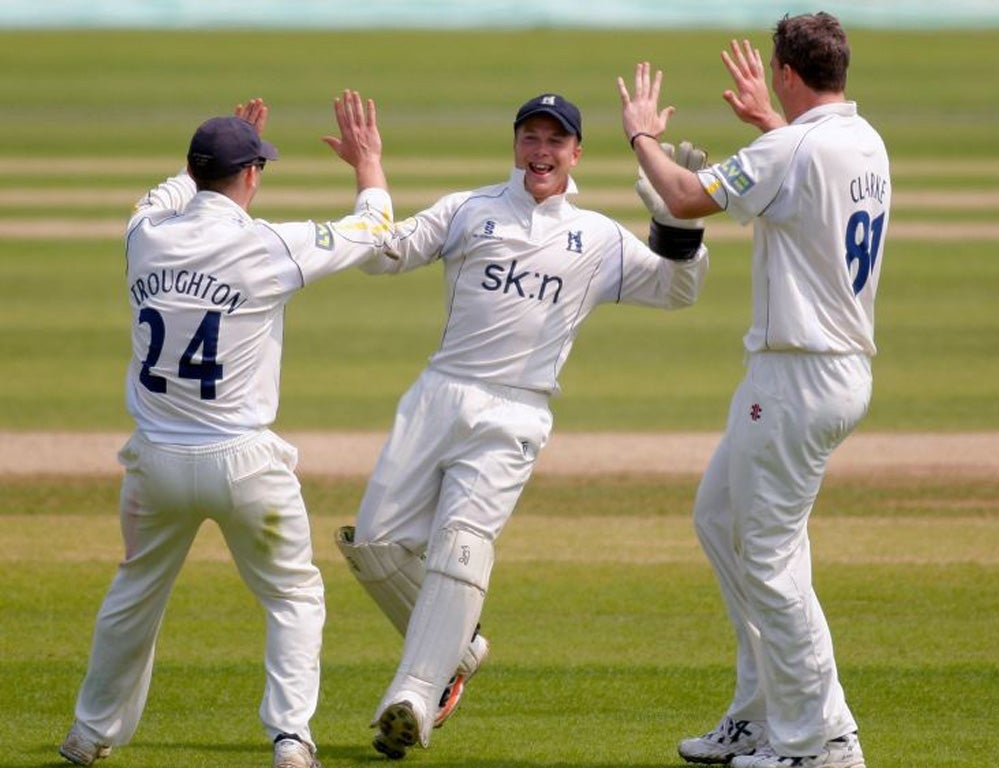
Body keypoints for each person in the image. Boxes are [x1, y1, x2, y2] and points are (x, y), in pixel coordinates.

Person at [333, 92, 710, 759]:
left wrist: (677, 228)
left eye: (555, 141)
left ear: (575, 153)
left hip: (517, 409)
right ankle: (460, 648)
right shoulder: (468, 210)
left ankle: (414, 696)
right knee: (374, 546)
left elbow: (678, 291)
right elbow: (380, 253)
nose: (541, 153)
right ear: (516, 145)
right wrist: (369, 169)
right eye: (530, 138)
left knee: (461, 545)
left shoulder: (595, 236)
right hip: (439, 394)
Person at [58, 91, 394, 768]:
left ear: (194, 172)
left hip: (153, 463)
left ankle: (89, 734)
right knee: (294, 594)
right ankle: (292, 739)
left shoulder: (143, 234)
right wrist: (369, 166)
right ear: (250, 176)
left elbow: (158, 195)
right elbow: (375, 229)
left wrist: (205, 158)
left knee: (133, 598)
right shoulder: (266, 245)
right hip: (244, 463)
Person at [618, 12, 890, 768]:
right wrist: (771, 122)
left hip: (800, 373)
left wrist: (640, 133)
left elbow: (680, 197)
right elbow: (798, 164)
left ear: (788, 73)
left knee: (770, 560)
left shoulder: (793, 148)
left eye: (776, 73)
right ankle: (760, 712)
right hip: (812, 371)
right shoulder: (861, 139)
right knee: (720, 518)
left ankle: (816, 743)